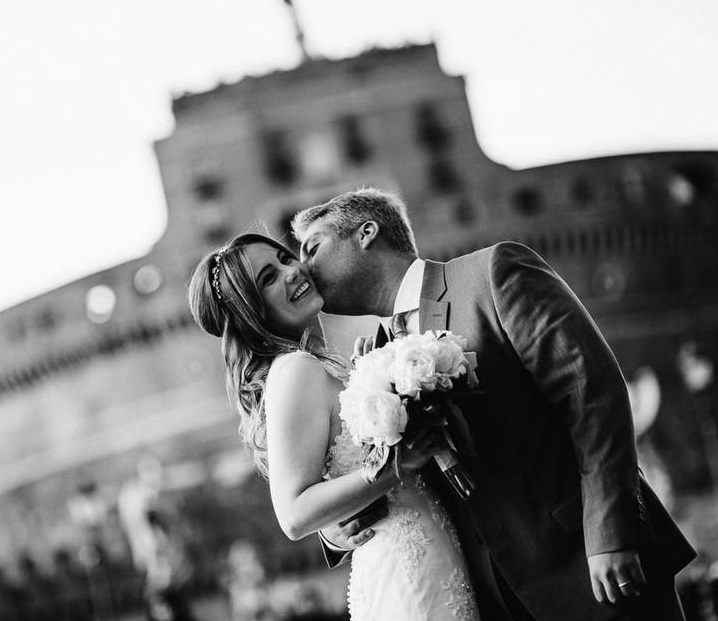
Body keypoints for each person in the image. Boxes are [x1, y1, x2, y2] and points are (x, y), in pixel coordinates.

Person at [292, 187, 697, 621]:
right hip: (494, 597)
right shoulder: (370, 357)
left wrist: (612, 533)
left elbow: (592, 394)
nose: (303, 268)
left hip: (591, 565)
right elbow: (401, 476)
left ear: (366, 233)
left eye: (313, 248)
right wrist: (338, 529)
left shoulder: (491, 274)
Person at [189, 233, 480, 620]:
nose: (292, 271)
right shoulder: (296, 369)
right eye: (268, 278)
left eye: (284, 258)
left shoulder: (317, 366)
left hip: (425, 558)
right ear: (250, 312)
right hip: (407, 571)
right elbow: (293, 514)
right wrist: (398, 465)